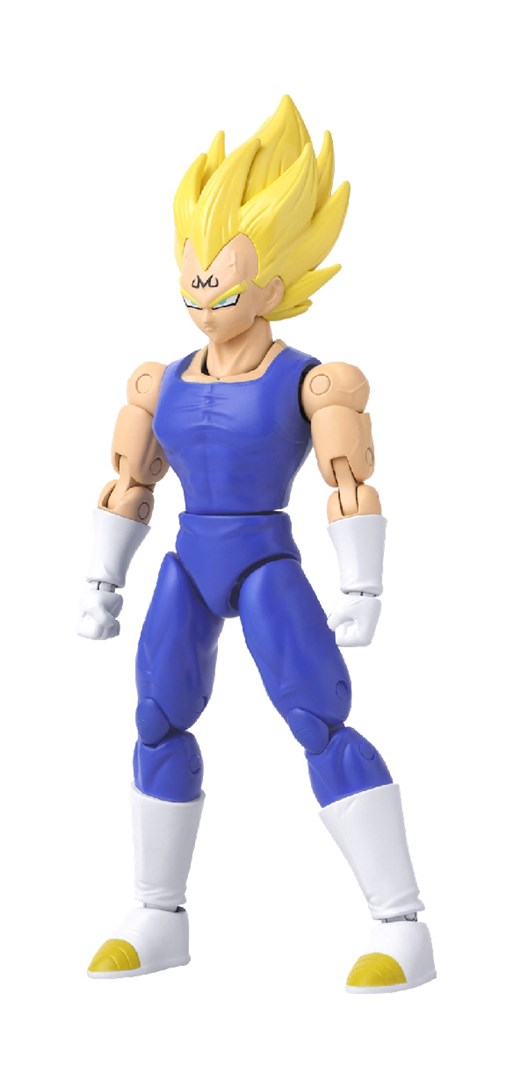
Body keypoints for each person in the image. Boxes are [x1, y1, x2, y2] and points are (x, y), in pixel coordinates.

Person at [79, 95, 435, 992]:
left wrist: (363, 588)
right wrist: (102, 578)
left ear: (276, 284)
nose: (204, 300)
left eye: (225, 284)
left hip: (266, 563)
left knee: (318, 719)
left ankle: (401, 926)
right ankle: (157, 913)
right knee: (157, 719)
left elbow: (347, 482)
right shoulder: (156, 382)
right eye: (192, 277)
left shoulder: (313, 382)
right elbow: (131, 483)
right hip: (189, 563)